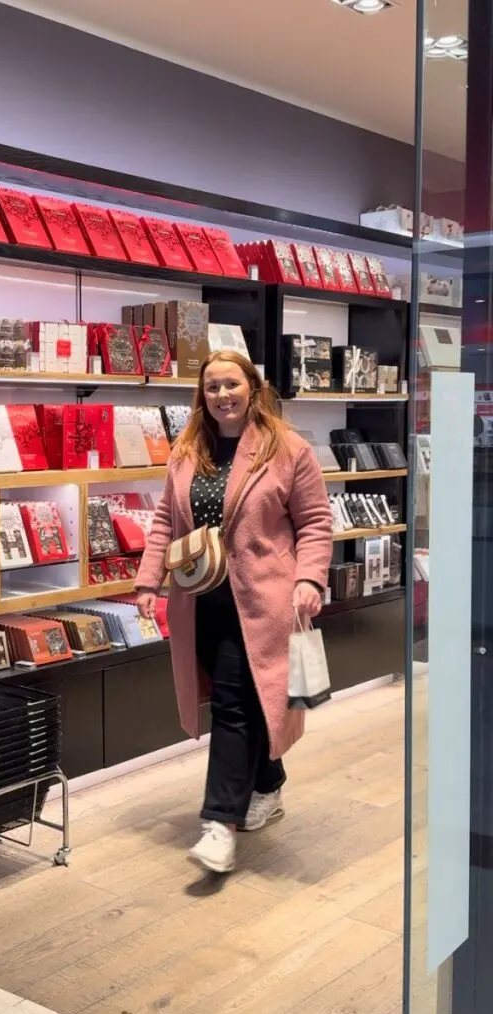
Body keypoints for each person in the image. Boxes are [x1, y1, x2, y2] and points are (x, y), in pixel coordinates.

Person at [135, 351, 333, 873]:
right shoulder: (186, 451)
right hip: (200, 602)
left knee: (232, 704)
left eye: (231, 385)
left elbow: (314, 522)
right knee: (249, 700)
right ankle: (269, 784)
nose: (222, 395)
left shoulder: (288, 449)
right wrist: (147, 580)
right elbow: (163, 522)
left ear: (253, 388)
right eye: (212, 387)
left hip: (263, 603)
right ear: (201, 396)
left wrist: (310, 578)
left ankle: (219, 823)